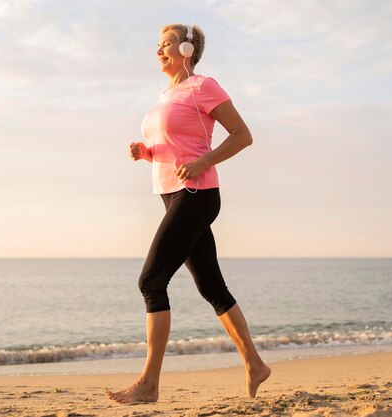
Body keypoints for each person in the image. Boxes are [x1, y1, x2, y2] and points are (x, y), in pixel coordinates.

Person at [106, 23, 271, 404]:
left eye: (166, 44)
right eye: (157, 45)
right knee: (211, 287)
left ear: (185, 48)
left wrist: (203, 162)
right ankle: (255, 364)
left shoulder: (203, 86)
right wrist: (146, 153)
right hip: (172, 194)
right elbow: (174, 146)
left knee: (151, 281)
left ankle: (148, 384)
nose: (158, 51)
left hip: (196, 194)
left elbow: (242, 135)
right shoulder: (168, 95)